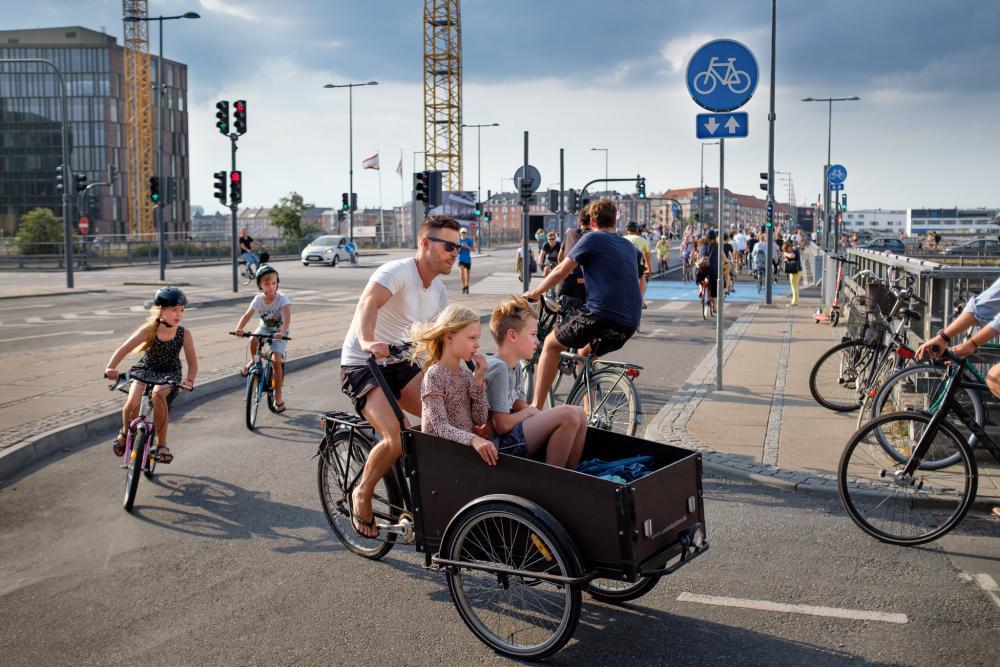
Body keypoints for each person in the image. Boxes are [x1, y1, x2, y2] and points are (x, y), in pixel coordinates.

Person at [339, 215, 460, 537]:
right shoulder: (396, 272)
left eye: (458, 247)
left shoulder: (438, 291)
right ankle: (361, 495)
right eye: (449, 245)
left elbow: (439, 339)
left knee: (447, 420)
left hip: (401, 364)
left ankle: (424, 491)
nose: (455, 253)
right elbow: (369, 303)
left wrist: (466, 359)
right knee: (395, 435)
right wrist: (366, 339)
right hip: (364, 364)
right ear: (425, 243)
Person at [524, 198, 642, 409]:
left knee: (551, 344)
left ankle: (535, 408)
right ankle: (590, 411)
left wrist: (535, 292)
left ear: (592, 221)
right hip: (630, 321)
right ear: (615, 220)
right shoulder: (628, 245)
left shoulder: (592, 238)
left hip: (600, 312)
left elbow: (561, 270)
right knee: (585, 353)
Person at [483, 297, 587, 468]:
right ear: (512, 335)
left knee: (579, 414)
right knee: (568, 414)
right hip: (497, 448)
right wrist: (530, 412)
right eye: (533, 335)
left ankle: (570, 476)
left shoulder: (515, 366)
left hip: (509, 438)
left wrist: (533, 413)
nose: (538, 342)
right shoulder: (499, 368)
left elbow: (520, 407)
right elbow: (502, 425)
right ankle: (552, 482)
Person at [104, 287, 197, 465]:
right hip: (145, 369)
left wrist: (189, 379)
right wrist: (111, 367)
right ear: (161, 310)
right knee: (132, 403)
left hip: (170, 373)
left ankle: (161, 446)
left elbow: (192, 363)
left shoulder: (184, 333)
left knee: (158, 394)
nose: (179, 314)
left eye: (181, 310)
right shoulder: (150, 330)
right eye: (174, 310)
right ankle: (124, 433)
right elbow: (123, 349)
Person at [412, 305, 497, 464]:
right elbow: (439, 426)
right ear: (449, 337)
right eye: (472, 338)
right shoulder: (435, 375)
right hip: (440, 457)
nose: (477, 344)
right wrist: (474, 440)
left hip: (462, 454)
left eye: (478, 338)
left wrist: (478, 380)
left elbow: (479, 419)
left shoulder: (466, 375)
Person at [233, 264, 291, 412]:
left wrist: (283, 332)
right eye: (267, 284)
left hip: (279, 330)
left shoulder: (282, 298)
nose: (271, 287)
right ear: (260, 285)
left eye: (274, 283)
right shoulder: (258, 299)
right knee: (253, 339)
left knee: (277, 360)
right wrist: (239, 328)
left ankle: (278, 397)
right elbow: (247, 314)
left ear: (277, 283)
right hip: (265, 328)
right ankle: (254, 360)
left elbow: (286, 316)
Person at [556, 205, 592, 310]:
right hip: (583, 284)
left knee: (563, 312)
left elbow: (560, 257)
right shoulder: (594, 236)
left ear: (579, 221)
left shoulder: (570, 233)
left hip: (565, 281)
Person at [624, 221, 652, 308]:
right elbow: (647, 256)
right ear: (637, 230)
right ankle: (641, 299)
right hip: (637, 264)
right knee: (642, 276)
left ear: (627, 230)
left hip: (624, 264)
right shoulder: (642, 240)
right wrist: (649, 269)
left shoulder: (622, 238)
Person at [698, 230, 720, 313]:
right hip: (713, 270)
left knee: (697, 276)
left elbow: (698, 256)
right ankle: (714, 307)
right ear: (715, 237)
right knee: (714, 285)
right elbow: (722, 256)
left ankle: (701, 289)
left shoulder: (702, 245)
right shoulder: (717, 246)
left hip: (702, 268)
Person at [456, 227, 476, 294]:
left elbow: (473, 250)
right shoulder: (458, 240)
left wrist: (467, 246)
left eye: (464, 232)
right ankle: (463, 286)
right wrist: (460, 246)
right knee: (461, 272)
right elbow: (456, 251)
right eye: (462, 232)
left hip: (468, 259)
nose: (463, 234)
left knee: (467, 273)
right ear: (460, 233)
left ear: (466, 233)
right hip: (460, 258)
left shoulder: (469, 240)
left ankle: (467, 285)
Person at [783, 242, 802, 306]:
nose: (788, 250)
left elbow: (792, 256)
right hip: (796, 271)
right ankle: (794, 301)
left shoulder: (794, 251)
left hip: (795, 271)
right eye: (787, 249)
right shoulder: (794, 250)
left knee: (794, 288)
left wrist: (785, 253)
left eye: (787, 248)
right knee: (795, 287)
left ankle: (794, 302)